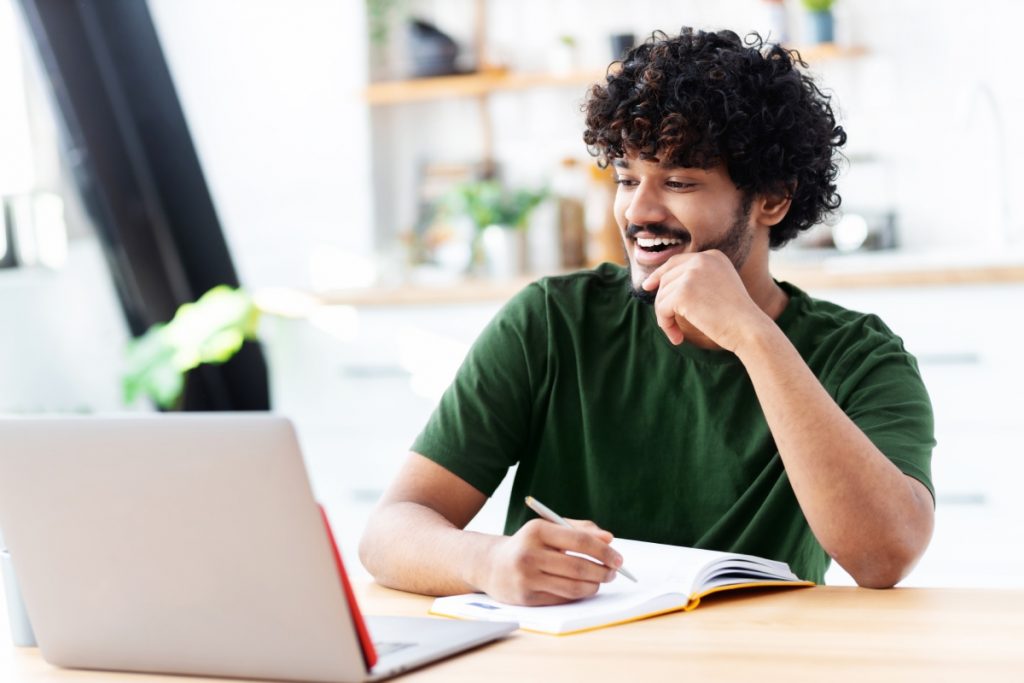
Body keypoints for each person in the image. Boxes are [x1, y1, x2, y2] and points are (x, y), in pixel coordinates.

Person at [359, 27, 935, 606]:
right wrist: (486, 560)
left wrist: (752, 334)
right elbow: (388, 534)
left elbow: (883, 557)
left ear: (772, 199)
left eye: (679, 182)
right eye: (627, 178)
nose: (638, 211)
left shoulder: (858, 356)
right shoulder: (553, 322)